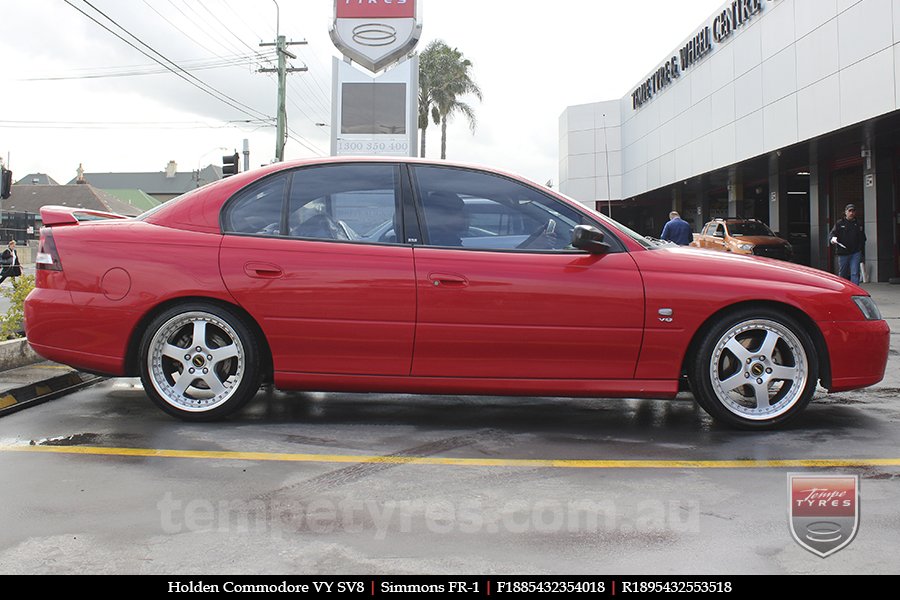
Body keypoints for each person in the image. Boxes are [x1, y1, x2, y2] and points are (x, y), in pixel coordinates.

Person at [829, 203, 866, 285]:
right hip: (843, 252)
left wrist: (860, 249)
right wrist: (832, 239)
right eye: (849, 211)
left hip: (855, 252)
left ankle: (855, 290)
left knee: (855, 272)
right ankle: (842, 288)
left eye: (853, 211)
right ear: (845, 212)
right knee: (843, 273)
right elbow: (832, 234)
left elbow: (862, 238)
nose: (851, 213)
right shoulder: (839, 223)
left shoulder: (858, 224)